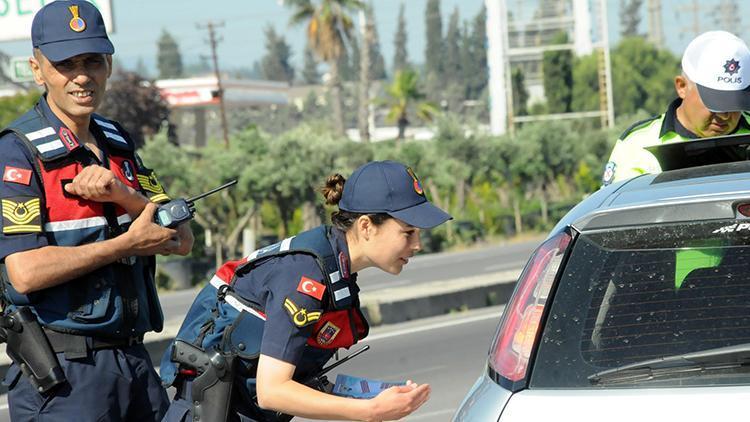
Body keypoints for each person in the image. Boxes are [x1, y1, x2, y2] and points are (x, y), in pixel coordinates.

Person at [0, 1, 194, 420]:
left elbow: (181, 238)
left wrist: (126, 196)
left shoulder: (116, 140)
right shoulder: (16, 153)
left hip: (135, 363)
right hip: (66, 377)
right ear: (38, 70)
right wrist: (126, 243)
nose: (82, 76)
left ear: (108, 63)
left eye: (92, 60)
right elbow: (25, 272)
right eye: (65, 64)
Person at [160, 160, 452, 422]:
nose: (417, 245)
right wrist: (371, 411)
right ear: (366, 226)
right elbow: (272, 392)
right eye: (408, 232)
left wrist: (373, 396)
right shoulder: (306, 276)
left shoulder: (335, 269)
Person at [602, 30, 750, 186]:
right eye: (716, 103)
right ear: (682, 87)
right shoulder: (637, 146)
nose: (725, 115)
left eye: (735, 103)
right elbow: (619, 207)